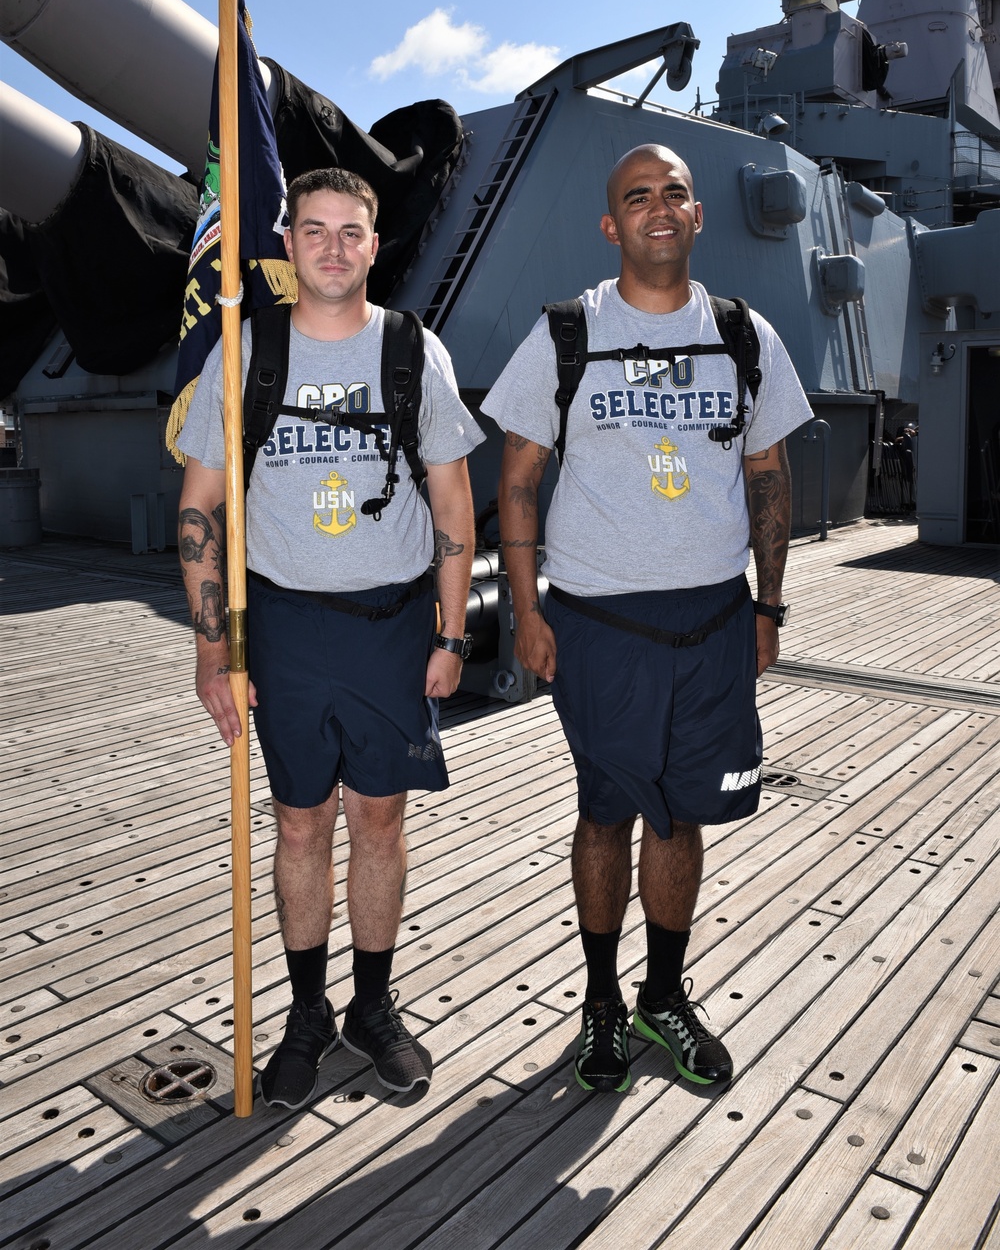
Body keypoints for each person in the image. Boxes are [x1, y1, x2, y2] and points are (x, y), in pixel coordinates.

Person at [482, 143, 812, 1095]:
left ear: (698, 214)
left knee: (684, 815)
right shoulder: (565, 334)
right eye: (637, 196)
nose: (658, 209)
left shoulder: (747, 336)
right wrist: (529, 610)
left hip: (714, 623)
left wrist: (768, 603)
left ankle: (661, 996)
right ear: (610, 223)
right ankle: (599, 1005)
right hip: (599, 628)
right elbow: (516, 479)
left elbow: (767, 475)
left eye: (674, 193)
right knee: (607, 811)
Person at [177, 166, 483, 1107]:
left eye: (351, 232)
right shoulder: (243, 353)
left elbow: (451, 497)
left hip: (393, 629)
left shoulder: (409, 349)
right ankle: (308, 1013)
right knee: (303, 823)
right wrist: (211, 647)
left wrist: (453, 634)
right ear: (291, 244)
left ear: (374, 245)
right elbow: (199, 509)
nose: (335, 248)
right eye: (315, 231)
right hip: (285, 628)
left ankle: (373, 1008)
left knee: (380, 821)